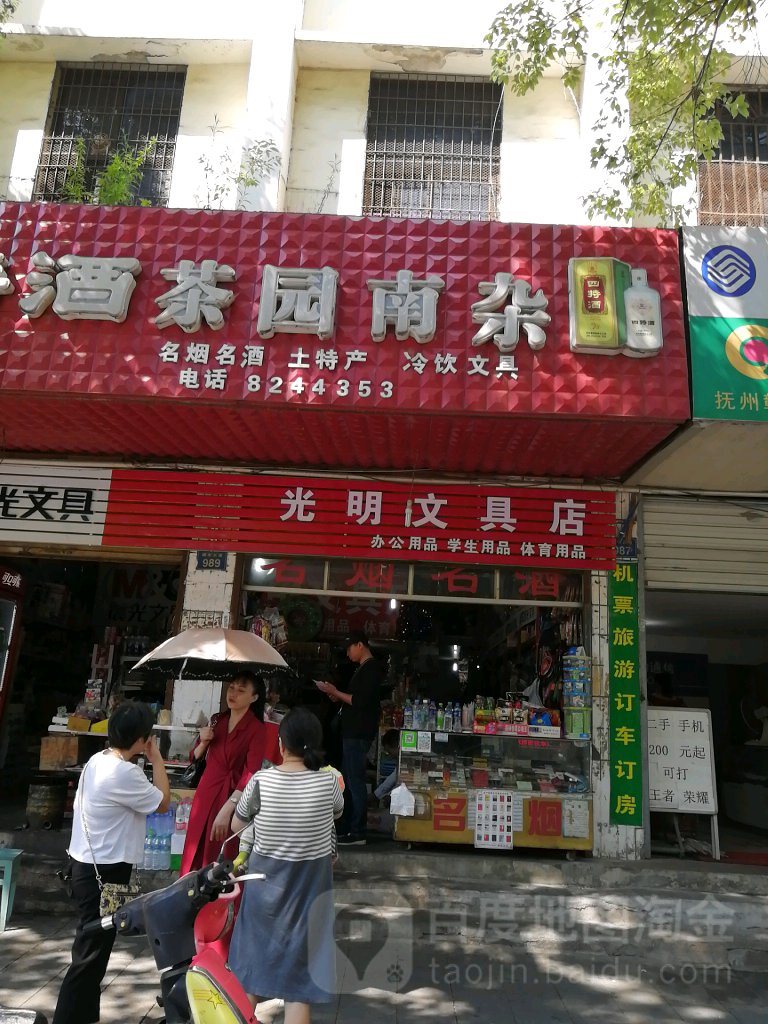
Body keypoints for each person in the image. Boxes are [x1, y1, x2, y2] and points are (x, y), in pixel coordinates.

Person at [52, 701, 170, 1024]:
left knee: (94, 952)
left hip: (87, 867)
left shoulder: (98, 760)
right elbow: (163, 802)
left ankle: (83, 1017)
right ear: (141, 739)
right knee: (89, 955)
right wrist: (157, 759)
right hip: (103, 873)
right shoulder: (125, 773)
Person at [229, 707, 344, 1024]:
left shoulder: (260, 781)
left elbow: (237, 824)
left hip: (264, 893)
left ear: (280, 744)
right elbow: (336, 812)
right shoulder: (328, 783)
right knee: (298, 989)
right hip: (310, 895)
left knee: (250, 977)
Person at [180, 671, 280, 874]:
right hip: (206, 790)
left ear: (254, 697)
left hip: (233, 796)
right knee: (194, 848)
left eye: (241, 690)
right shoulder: (218, 720)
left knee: (222, 856)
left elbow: (251, 772)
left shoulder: (257, 728)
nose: (233, 693)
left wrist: (228, 809)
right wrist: (204, 741)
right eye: (231, 687)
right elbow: (194, 757)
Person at [315, 630, 384, 846]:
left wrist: (336, 692)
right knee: (349, 780)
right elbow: (354, 700)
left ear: (360, 645)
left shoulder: (371, 669)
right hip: (353, 732)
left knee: (355, 781)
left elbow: (359, 701)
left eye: (349, 648)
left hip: (358, 733)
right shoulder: (363, 668)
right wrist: (336, 696)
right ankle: (349, 827)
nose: (347, 653)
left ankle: (358, 831)